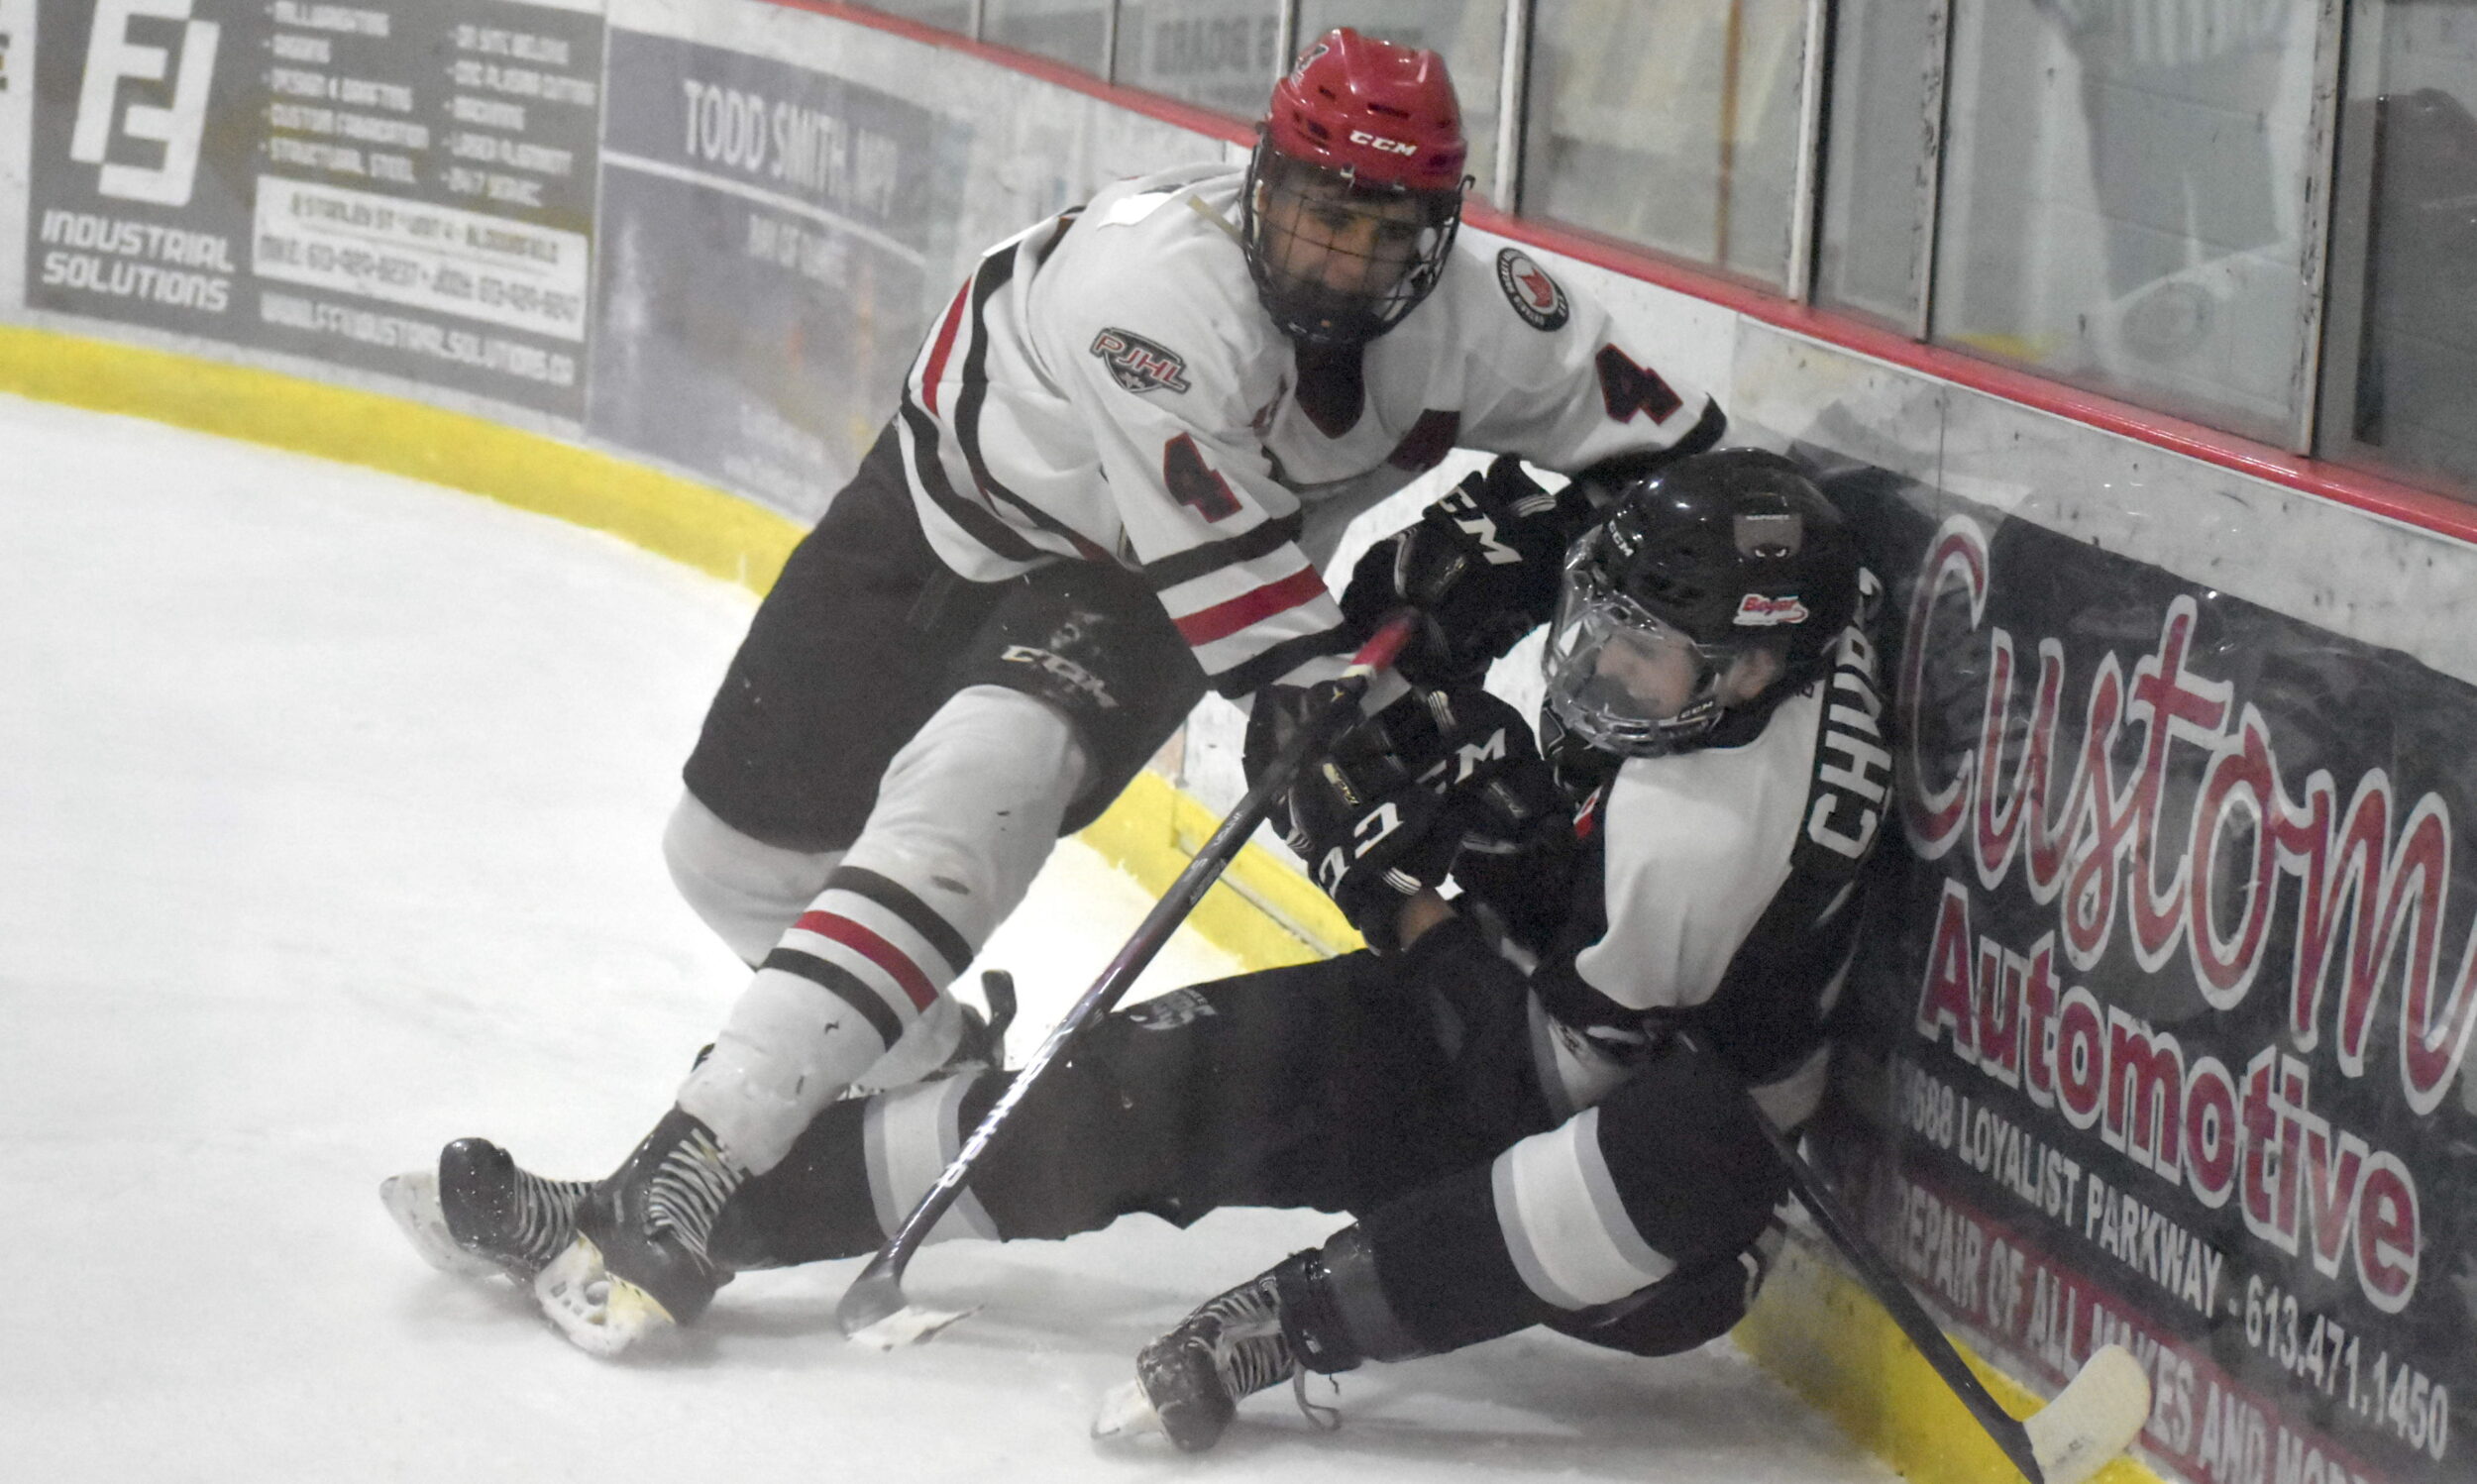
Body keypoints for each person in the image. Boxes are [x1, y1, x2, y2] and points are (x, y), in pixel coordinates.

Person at [383, 27, 1728, 1357]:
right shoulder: (1152, 292)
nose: (1339, 261)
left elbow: (1696, 470)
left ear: (1439, 237)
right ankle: (929, 1078)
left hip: (1129, 587)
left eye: (1383, 237)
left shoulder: (1493, 320)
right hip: (937, 517)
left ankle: (684, 1174)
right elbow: (1276, 649)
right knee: (729, 862)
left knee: (976, 788)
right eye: (1320, 218)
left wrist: (1553, 540)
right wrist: (1361, 700)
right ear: (1261, 180)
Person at [386, 449, 1887, 1456]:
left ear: (1756, 664)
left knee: (1683, 1154)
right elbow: (1645, 534)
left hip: (1638, 1189)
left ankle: (1289, 1321)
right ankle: (682, 1213)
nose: (1599, 671)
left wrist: (1396, 889)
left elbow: (1535, 1079)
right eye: (1596, 626)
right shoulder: (1766, 619)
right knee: (1132, 1088)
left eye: (1642, 660)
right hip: (1563, 976)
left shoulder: (1707, 837)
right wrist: (1464, 588)